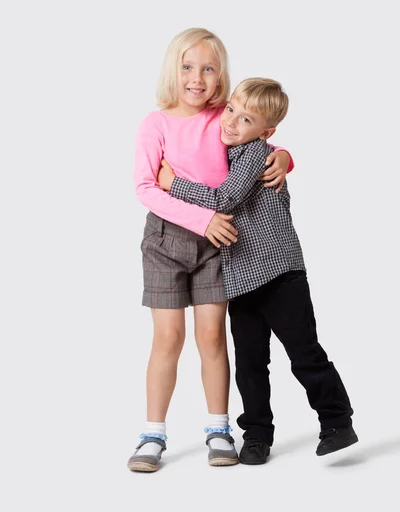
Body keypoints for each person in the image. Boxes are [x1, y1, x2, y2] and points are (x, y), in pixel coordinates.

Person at [158, 77, 358, 465]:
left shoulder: (254, 154)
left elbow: (223, 198)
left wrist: (171, 182)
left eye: (245, 119)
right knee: (251, 361)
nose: (231, 123)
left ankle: (337, 420)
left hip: (280, 273)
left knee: (303, 352)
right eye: (230, 110)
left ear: (265, 132)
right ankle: (257, 434)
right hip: (240, 278)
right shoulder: (225, 146)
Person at [128, 29, 293, 472]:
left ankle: (219, 428)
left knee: (212, 337)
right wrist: (202, 219)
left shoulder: (223, 117)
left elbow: (256, 141)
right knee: (168, 338)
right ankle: (152, 434)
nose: (196, 78)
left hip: (219, 246)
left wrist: (284, 156)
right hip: (166, 241)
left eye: (208, 68)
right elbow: (146, 186)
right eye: (187, 67)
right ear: (173, 71)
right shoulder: (156, 123)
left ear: (220, 77)